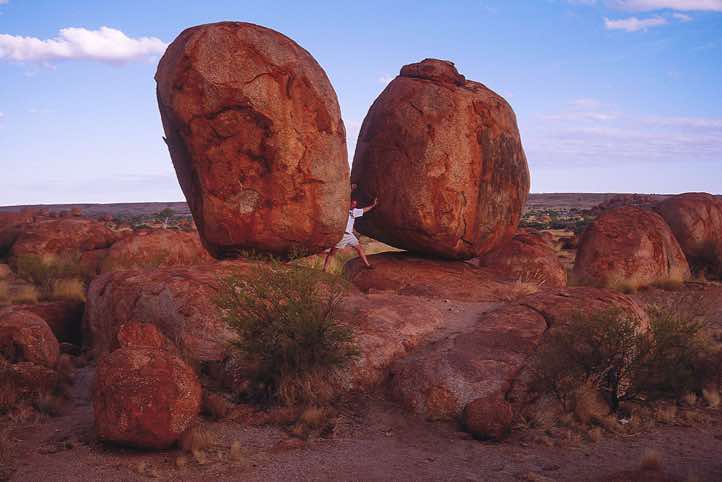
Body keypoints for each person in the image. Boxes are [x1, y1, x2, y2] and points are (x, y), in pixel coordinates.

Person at [323, 197, 378, 272]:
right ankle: (325, 269)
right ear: (349, 203)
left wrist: (373, 205)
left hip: (350, 235)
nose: (354, 205)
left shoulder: (354, 212)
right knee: (332, 253)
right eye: (353, 204)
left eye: (355, 204)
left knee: (359, 248)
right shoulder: (343, 211)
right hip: (342, 235)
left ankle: (367, 265)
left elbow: (363, 210)